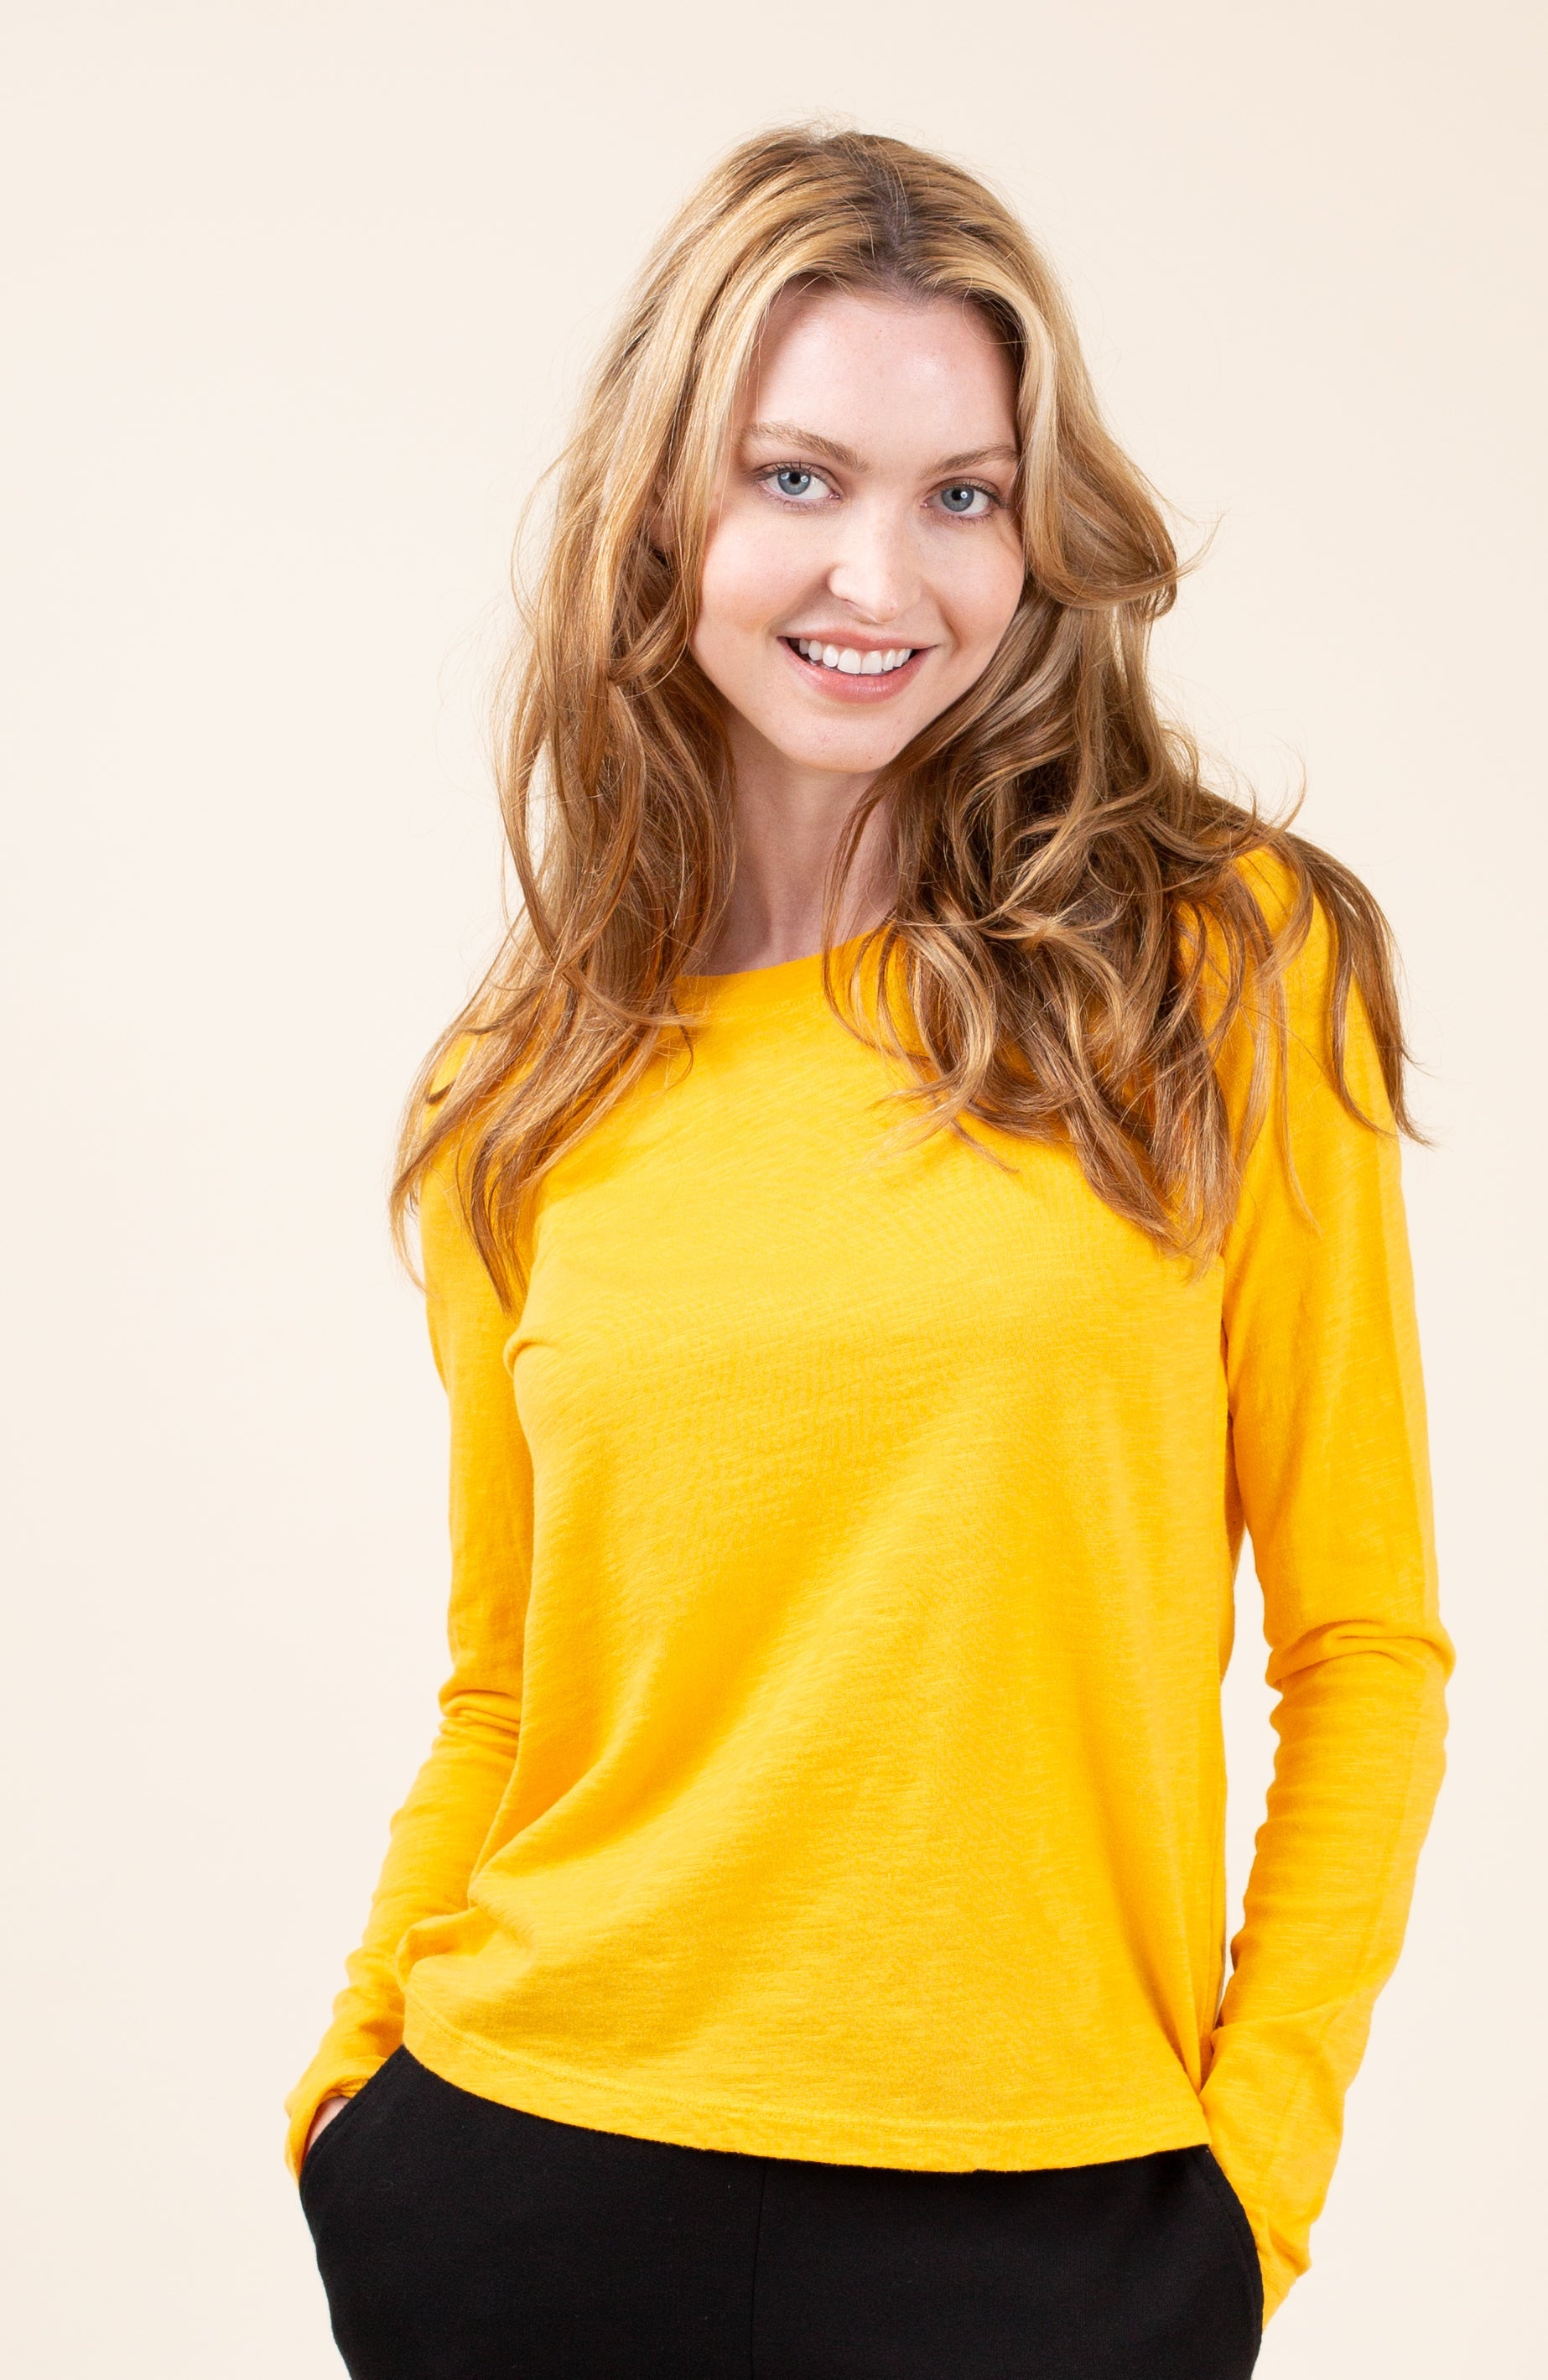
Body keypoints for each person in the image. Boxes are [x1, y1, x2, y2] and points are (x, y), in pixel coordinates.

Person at [286, 125, 1452, 2379]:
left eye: (964, 494)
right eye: (797, 478)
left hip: (1051, 2235)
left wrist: (1242, 2196)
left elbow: (1363, 1647)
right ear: (662, 508)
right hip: (521, 2192)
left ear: (1039, 532)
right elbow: (515, 1688)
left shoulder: (1216, 970)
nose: (883, 574)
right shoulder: (520, 1085)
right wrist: (358, 2104)